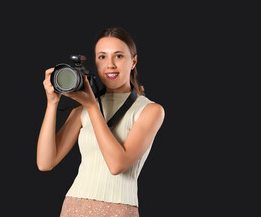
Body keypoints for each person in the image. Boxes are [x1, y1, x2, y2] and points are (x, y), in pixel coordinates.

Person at [37, 27, 165, 216]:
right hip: (74, 206)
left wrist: (92, 106)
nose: (110, 65)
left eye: (119, 56)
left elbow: (117, 165)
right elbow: (45, 162)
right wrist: (52, 103)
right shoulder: (85, 107)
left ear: (133, 61)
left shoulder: (150, 110)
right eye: (102, 57)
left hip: (118, 210)